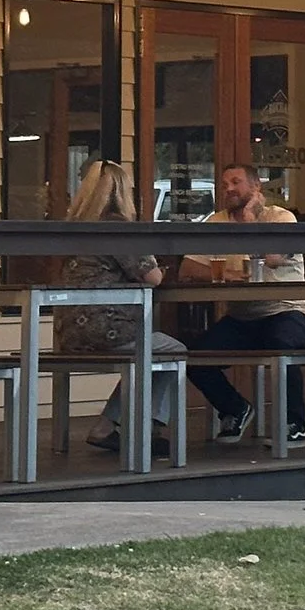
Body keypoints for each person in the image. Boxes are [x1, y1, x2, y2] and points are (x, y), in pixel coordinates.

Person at [51, 159, 185, 455]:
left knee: (153, 350)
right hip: (108, 330)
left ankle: (107, 426)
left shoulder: (73, 228)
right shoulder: (117, 226)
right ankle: (147, 429)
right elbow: (153, 277)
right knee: (174, 350)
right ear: (122, 191)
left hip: (68, 334)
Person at [182, 162, 305, 444]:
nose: (228, 188)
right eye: (224, 183)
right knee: (194, 358)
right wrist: (226, 274)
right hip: (242, 316)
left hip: (287, 310)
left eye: (236, 182)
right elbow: (188, 270)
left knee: (281, 345)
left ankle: (295, 424)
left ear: (256, 187)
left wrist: (250, 219)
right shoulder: (215, 222)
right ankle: (236, 409)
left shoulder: (281, 218)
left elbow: (274, 258)